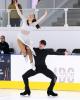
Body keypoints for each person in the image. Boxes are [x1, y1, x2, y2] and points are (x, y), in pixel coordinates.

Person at [15, 1, 47, 70]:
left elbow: (39, 20)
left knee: (29, 51)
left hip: (26, 40)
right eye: (30, 15)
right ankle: (24, 55)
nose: (30, 15)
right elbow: (19, 13)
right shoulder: (24, 19)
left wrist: (45, 15)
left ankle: (32, 64)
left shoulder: (33, 25)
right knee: (24, 51)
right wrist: (16, 6)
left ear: (33, 19)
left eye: (31, 15)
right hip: (20, 38)